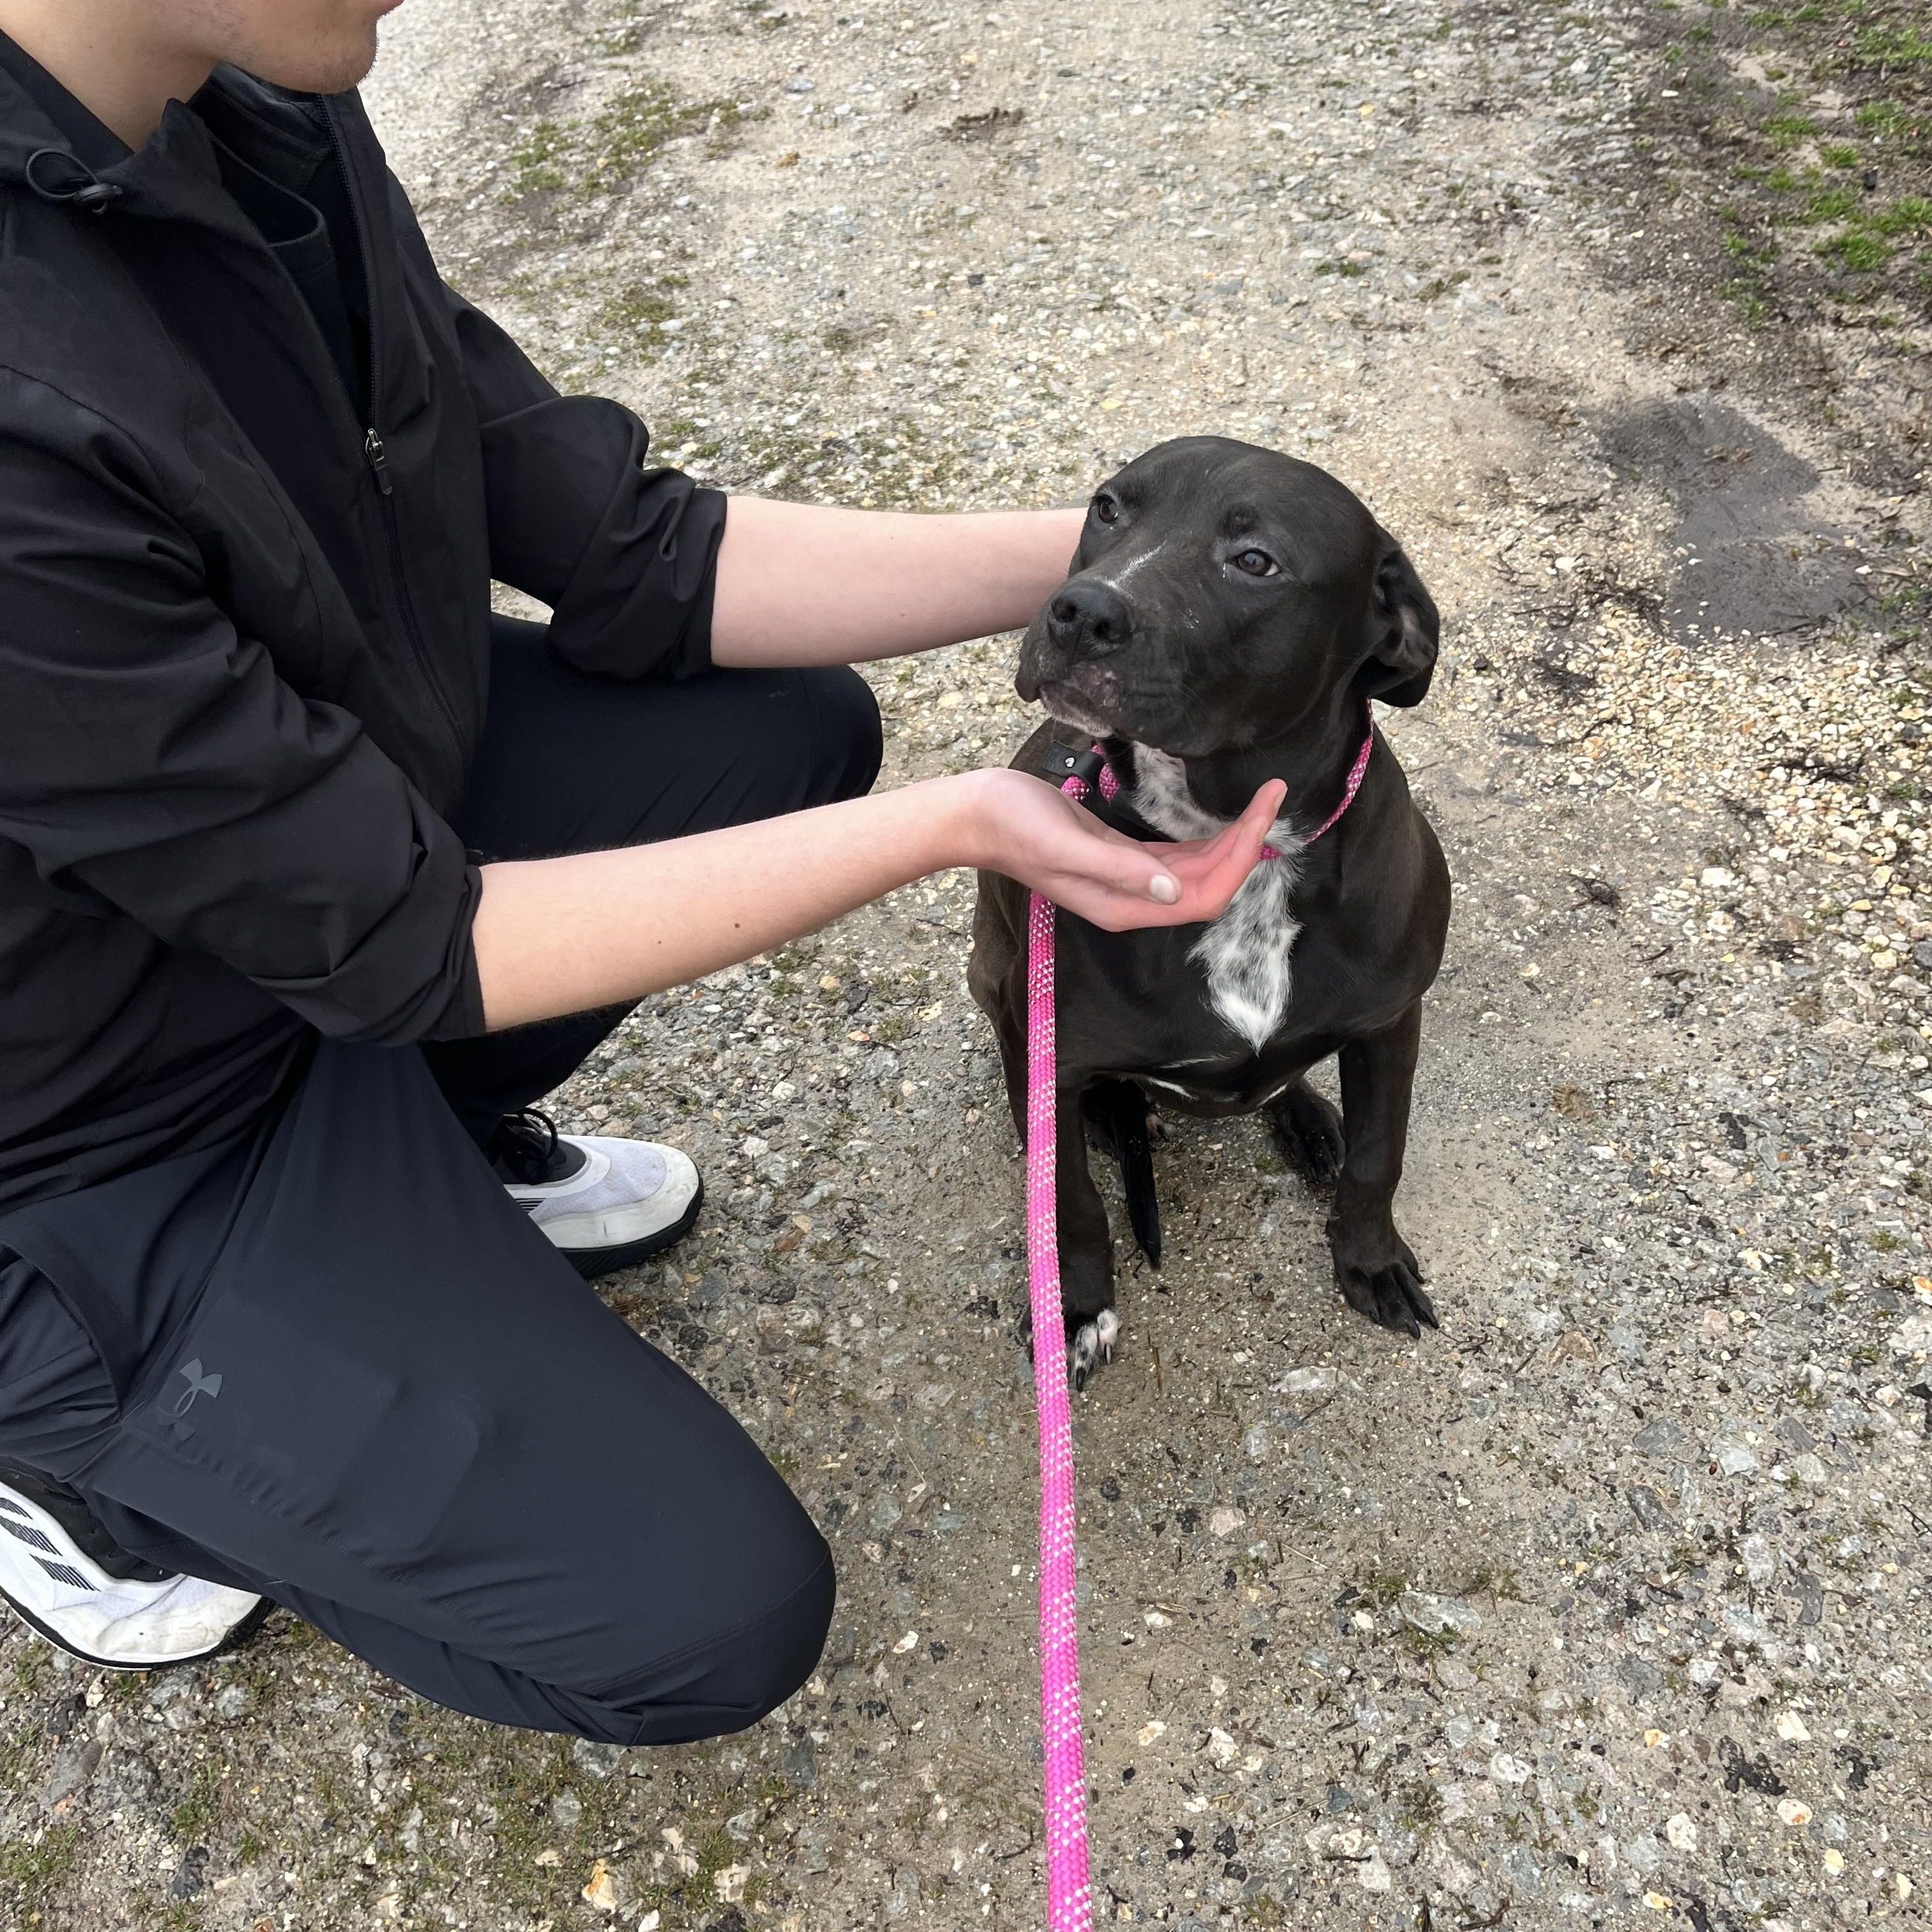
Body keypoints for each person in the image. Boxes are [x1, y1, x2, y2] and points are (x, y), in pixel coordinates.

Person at [0, 0, 1282, 1742]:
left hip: (294, 867)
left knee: (780, 731)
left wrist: (1140, 570)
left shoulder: (238, 90)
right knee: (708, 1622)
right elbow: (408, 935)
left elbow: (627, 546)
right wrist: (960, 822)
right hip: (98, 1145)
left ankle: (418, 1150)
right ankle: (90, 1474)